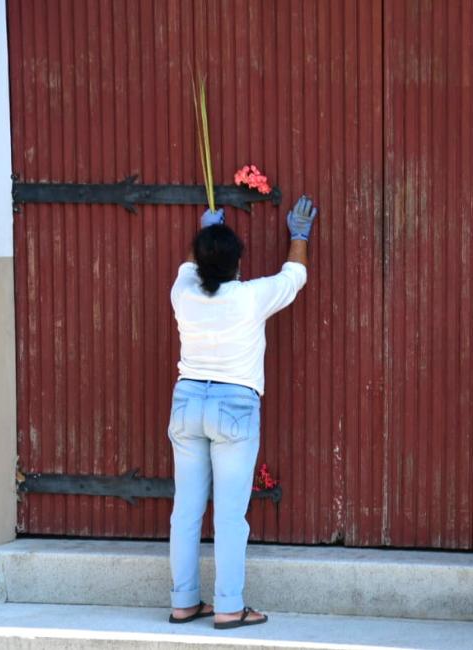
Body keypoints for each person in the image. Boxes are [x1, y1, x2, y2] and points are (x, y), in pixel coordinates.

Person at [166, 196, 318, 629]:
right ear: (237, 266)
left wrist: (206, 233)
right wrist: (299, 236)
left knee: (185, 511)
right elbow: (295, 276)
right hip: (233, 404)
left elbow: (190, 266)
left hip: (188, 402)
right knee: (230, 515)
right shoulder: (250, 297)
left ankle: (183, 603)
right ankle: (229, 607)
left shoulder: (183, 292)